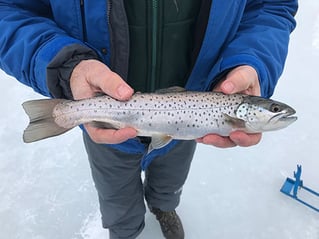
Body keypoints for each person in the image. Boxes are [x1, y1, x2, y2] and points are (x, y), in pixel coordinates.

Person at [0, 1, 298, 238]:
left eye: (271, 109)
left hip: (182, 136)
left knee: (170, 181)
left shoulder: (236, 109)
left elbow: (271, 5)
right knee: (116, 198)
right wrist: (66, 69)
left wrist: (252, 61)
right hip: (109, 134)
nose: (277, 113)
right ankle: (125, 231)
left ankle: (163, 207)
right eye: (272, 109)